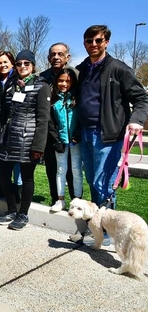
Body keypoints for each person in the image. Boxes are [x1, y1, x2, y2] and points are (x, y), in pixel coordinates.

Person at [70, 25, 148, 243]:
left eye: (98, 40)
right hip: (85, 133)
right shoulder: (83, 69)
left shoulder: (118, 69)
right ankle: (99, 231)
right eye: (89, 41)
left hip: (107, 135)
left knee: (103, 184)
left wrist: (136, 121)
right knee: (93, 181)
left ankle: (106, 233)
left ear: (106, 42)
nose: (93, 45)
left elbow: (141, 99)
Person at [0, 50, 50, 230]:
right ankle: (11, 209)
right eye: (19, 64)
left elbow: (43, 119)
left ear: (33, 66)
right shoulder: (12, 85)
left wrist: (38, 146)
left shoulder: (42, 86)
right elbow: (4, 113)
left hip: (29, 138)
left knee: (27, 177)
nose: (22, 67)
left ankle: (23, 213)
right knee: (2, 174)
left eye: (26, 63)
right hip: (8, 138)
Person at [41, 43, 76, 204]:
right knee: (53, 169)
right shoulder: (42, 78)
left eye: (60, 54)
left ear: (67, 57)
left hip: (71, 135)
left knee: (73, 171)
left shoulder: (76, 76)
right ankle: (57, 200)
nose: (56, 57)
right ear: (48, 58)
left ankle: (76, 202)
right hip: (49, 134)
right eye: (53, 54)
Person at [48, 68, 83, 212]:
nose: (64, 84)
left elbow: (82, 118)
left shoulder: (77, 98)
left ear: (73, 82)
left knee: (76, 170)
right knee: (61, 170)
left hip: (76, 141)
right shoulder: (54, 99)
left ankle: (77, 200)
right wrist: (56, 140)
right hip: (61, 141)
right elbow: (51, 122)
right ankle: (60, 200)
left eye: (68, 81)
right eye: (61, 80)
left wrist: (78, 134)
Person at [0, 50, 22, 198]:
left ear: (12, 64)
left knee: (16, 161)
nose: (2, 65)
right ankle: (1, 186)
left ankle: (18, 189)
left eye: (5, 62)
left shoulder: (18, 80)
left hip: (15, 125)